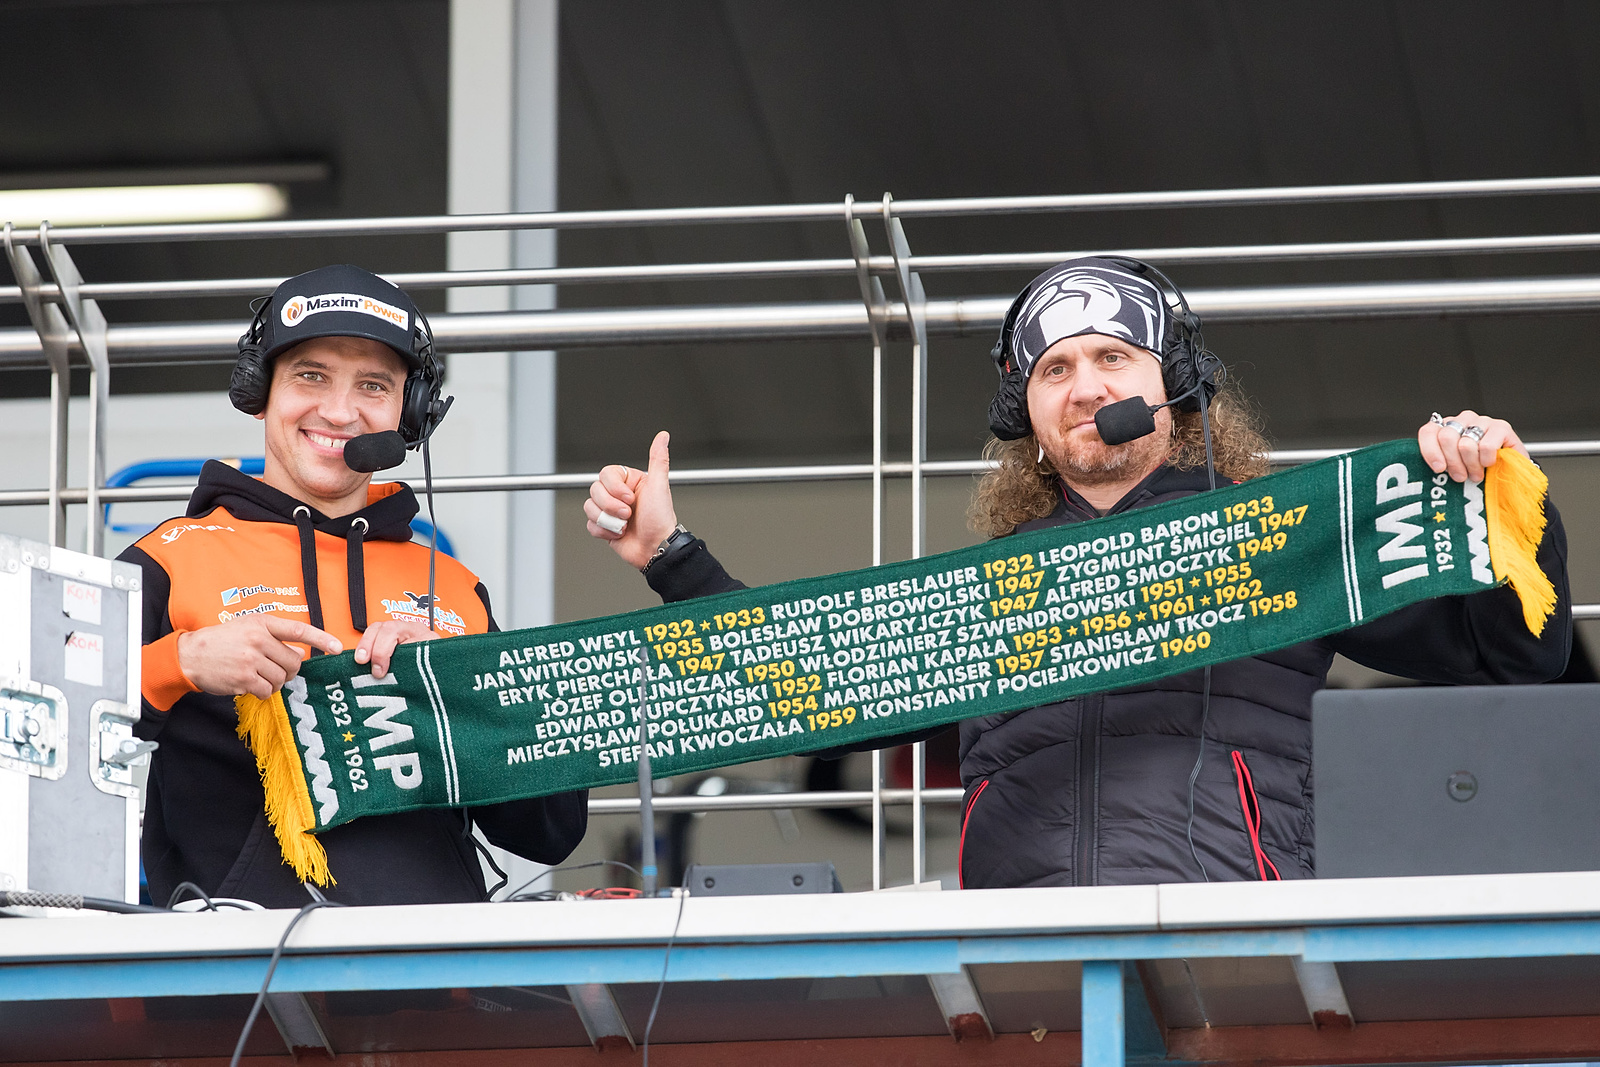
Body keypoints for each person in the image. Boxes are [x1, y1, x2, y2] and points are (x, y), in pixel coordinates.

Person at [582, 257, 1572, 888]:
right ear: (1031, 420)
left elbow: (1515, 657)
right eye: (1055, 369)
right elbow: (814, 683)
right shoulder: (988, 584)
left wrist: (1495, 494)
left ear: (1173, 391)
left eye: (1111, 357)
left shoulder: (1275, 534)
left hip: (1233, 944)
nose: (1085, 385)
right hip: (1018, 966)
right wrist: (675, 558)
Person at [121, 265, 587, 908]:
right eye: (311, 375)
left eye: (373, 385)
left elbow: (550, 829)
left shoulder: (454, 587)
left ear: (411, 412)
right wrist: (182, 662)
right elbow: (40, 736)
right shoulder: (169, 557)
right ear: (260, 389)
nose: (339, 412)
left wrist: (458, 690)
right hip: (229, 980)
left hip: (437, 979)